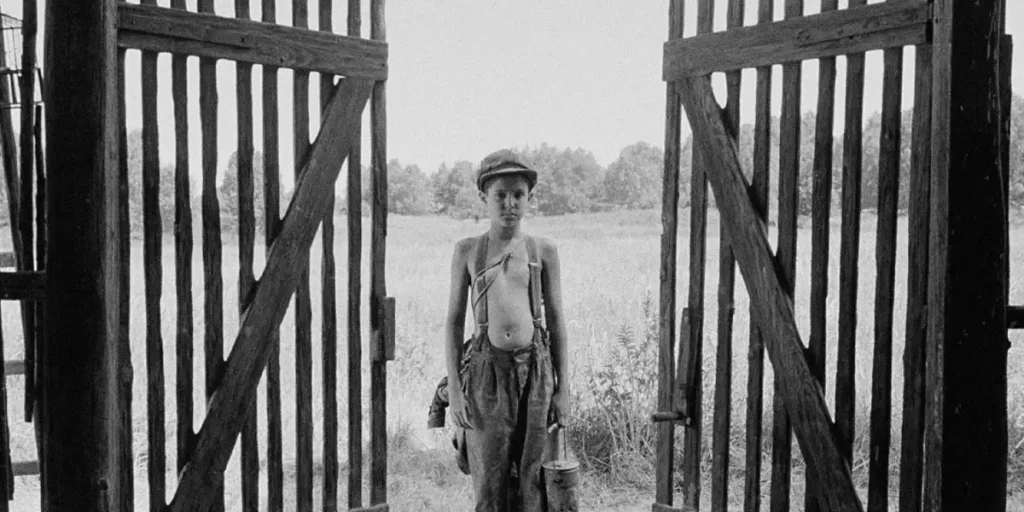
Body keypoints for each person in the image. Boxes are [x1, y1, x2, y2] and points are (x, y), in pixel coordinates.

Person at [439, 149, 570, 511]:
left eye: (518, 195)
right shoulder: (467, 251)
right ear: (484, 197)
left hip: (537, 375)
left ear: (529, 198)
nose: (509, 203)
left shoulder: (543, 250)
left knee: (533, 479)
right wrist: (455, 388)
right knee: (489, 482)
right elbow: (452, 321)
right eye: (500, 195)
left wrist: (564, 389)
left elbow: (557, 320)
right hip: (486, 375)